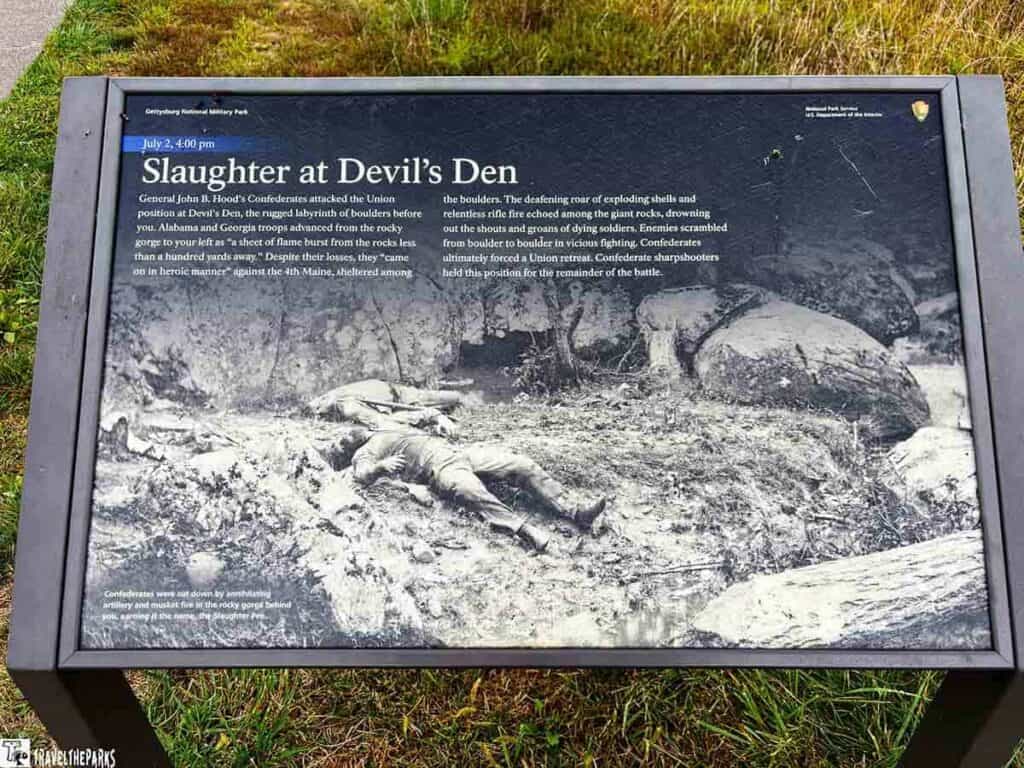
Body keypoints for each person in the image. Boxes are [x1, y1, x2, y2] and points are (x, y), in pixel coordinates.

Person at [339, 427, 606, 551]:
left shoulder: (383, 427)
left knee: (522, 465)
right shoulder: (366, 451)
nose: (347, 435)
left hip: (460, 453)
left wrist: (439, 419)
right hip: (438, 467)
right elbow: (361, 474)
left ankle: (576, 512)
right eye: (343, 441)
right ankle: (526, 531)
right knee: (470, 491)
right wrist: (381, 467)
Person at [308, 379, 463, 436]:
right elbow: (383, 423)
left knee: (453, 398)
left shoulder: (340, 399)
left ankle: (461, 399)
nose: (319, 411)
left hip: (396, 392)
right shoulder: (346, 405)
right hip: (394, 399)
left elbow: (381, 422)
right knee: (449, 398)